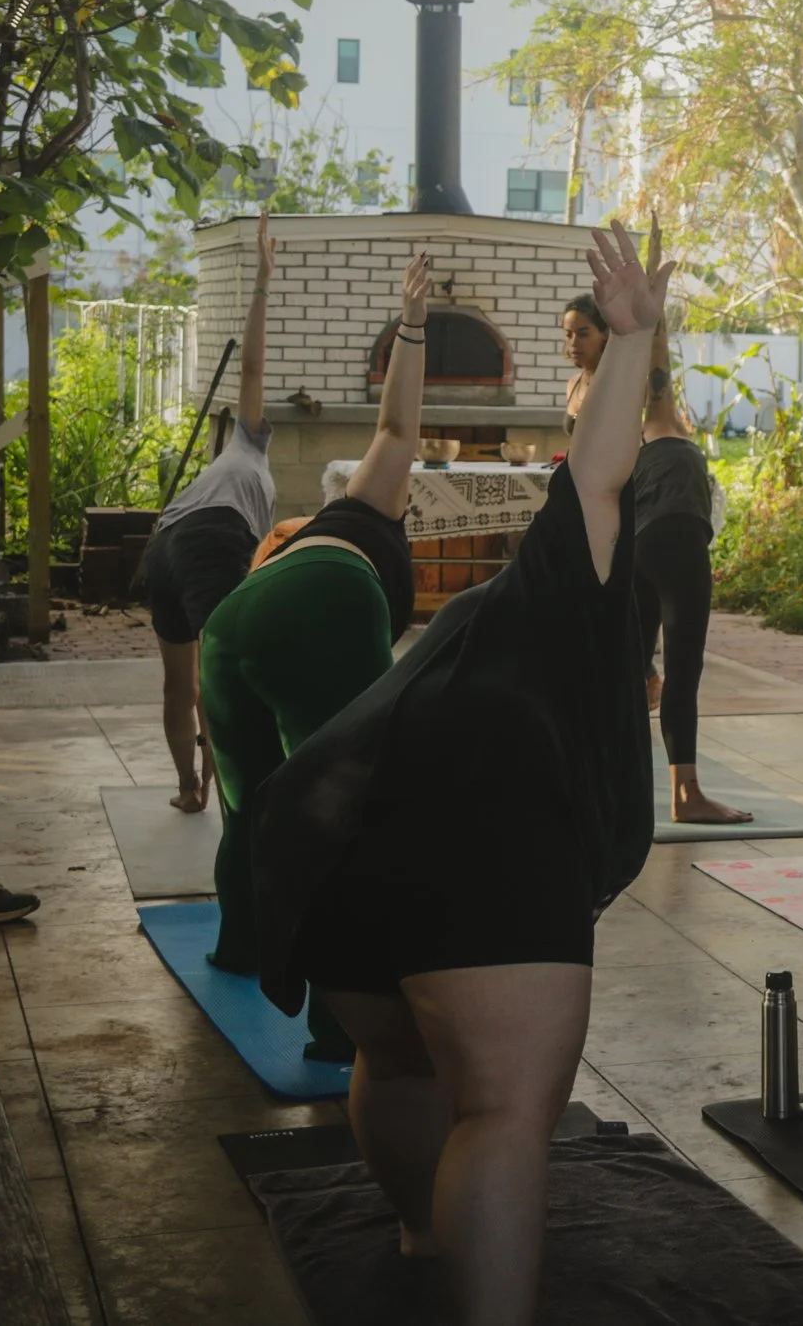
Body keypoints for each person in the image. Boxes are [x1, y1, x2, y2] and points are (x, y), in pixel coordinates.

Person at [250, 224, 667, 1326]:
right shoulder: (565, 582)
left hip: (325, 824)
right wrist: (632, 341)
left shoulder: (480, 623)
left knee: (396, 1056)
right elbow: (599, 472)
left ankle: (420, 1233)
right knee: (500, 1110)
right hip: (474, 827)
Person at [198, 248, 430, 1009]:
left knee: (250, 800)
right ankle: (346, 1025)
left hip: (230, 620)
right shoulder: (374, 512)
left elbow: (392, 426)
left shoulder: (345, 510)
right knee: (340, 812)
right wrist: (413, 327)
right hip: (321, 601)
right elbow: (400, 421)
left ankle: (241, 945)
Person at [141, 208, 276, 812]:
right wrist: (263, 284)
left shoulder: (220, 473)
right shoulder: (249, 444)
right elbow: (251, 365)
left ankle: (189, 789)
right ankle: (233, 805)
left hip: (163, 543)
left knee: (181, 680)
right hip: (204, 541)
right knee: (219, 675)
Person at [628, 241, 748, 824]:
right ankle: (687, 797)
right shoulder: (659, 418)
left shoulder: (619, 429)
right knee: (685, 667)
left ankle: (623, 787)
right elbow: (659, 360)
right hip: (676, 542)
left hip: (640, 546)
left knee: (637, 662)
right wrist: (657, 303)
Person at [560, 291, 608, 430]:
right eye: (569, 334)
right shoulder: (573, 384)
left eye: (583, 334)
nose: (574, 342)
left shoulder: (621, 382)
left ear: (604, 333)